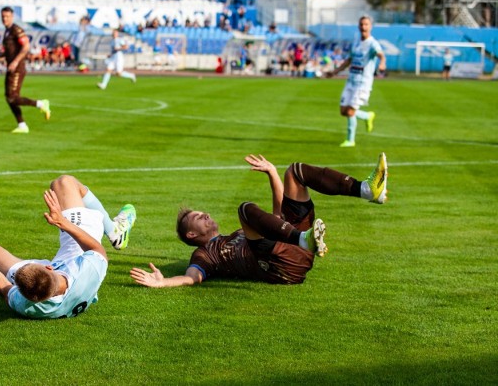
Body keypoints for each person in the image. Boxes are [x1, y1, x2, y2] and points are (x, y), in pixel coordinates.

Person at [130, 152, 388, 288]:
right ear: (191, 235)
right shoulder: (205, 254)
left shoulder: (234, 235)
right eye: (198, 217)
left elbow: (279, 217)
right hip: (282, 268)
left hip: (293, 246)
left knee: (294, 172)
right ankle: (304, 240)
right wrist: (163, 282)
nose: (205, 214)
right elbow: (191, 277)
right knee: (245, 210)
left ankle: (367, 190)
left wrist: (273, 174)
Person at [0, 174, 137, 319]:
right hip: (77, 251)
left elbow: (5, 291)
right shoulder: (89, 269)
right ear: (48, 267)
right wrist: (63, 223)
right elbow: (97, 249)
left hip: (59, 276)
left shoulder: (28, 304)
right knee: (63, 182)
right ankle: (116, 233)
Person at [0, 6, 51, 134]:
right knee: (9, 97)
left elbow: (26, 46)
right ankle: (22, 125)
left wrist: (15, 61)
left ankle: (41, 104)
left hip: (17, 67)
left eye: (7, 16)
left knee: (13, 98)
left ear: (12, 17)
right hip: (11, 67)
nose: (5, 19)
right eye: (3, 16)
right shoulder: (7, 31)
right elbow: (9, 51)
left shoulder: (16, 30)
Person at [326, 15, 386, 148]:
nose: (363, 27)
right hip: (351, 81)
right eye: (361, 24)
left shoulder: (372, 43)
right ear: (359, 26)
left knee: (350, 112)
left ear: (370, 27)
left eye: (366, 24)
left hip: (363, 83)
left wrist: (382, 63)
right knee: (343, 111)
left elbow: (380, 54)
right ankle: (367, 116)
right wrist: (335, 72)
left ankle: (350, 140)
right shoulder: (356, 43)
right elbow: (348, 61)